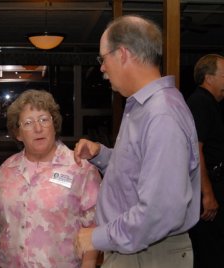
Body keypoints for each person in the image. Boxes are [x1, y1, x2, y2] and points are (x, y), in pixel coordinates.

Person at [73, 15, 201, 268]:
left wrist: (97, 236)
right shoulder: (142, 107)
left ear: (122, 54)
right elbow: (137, 172)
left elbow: (160, 211)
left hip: (149, 253)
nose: (101, 68)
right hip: (137, 246)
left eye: (103, 58)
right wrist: (101, 154)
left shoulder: (161, 114)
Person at [0, 89, 101, 268]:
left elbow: (94, 226)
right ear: (18, 134)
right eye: (28, 122)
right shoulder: (8, 168)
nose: (38, 128)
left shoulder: (80, 169)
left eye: (44, 119)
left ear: (54, 125)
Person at [187, 54, 224, 268]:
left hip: (213, 184)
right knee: (211, 254)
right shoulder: (200, 102)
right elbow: (195, 150)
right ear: (209, 78)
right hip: (208, 188)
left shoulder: (210, 103)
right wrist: (208, 194)